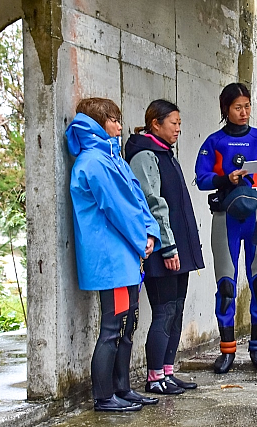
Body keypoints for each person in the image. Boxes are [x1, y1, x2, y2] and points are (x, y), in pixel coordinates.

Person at [66, 97, 162, 412]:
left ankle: (122, 388)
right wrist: (141, 239)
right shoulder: (94, 162)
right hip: (112, 259)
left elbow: (136, 198)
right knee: (114, 326)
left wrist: (151, 233)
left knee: (127, 323)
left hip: (124, 257)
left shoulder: (111, 157)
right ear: (98, 123)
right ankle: (105, 397)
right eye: (114, 120)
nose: (120, 126)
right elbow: (117, 209)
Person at [194, 82, 257, 374]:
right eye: (238, 107)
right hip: (226, 218)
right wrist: (227, 178)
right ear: (226, 109)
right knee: (226, 285)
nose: (244, 112)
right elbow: (201, 178)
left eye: (247, 106)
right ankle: (227, 351)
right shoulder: (214, 141)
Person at [125, 99, 205, 395]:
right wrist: (168, 247)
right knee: (164, 311)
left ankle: (168, 372)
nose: (178, 130)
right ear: (155, 123)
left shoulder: (165, 153)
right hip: (162, 249)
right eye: (174, 124)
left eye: (180, 124)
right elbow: (153, 203)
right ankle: (154, 376)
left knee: (177, 309)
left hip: (178, 247)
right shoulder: (145, 155)